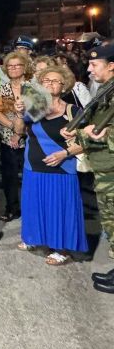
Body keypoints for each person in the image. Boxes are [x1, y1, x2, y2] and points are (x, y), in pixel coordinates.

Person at [12, 66, 87, 265]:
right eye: (46, 81)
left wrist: (64, 154)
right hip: (32, 166)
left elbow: (86, 142)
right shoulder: (34, 107)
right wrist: (19, 113)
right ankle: (34, 238)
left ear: (64, 85)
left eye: (55, 81)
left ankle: (60, 249)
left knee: (59, 210)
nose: (49, 84)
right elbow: (18, 131)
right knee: (34, 206)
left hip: (61, 169)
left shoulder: (73, 111)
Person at [65, 45, 114, 293]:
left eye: (95, 65)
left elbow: (105, 132)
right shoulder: (107, 89)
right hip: (104, 166)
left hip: (111, 167)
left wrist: (91, 135)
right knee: (110, 220)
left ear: (111, 66)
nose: (89, 69)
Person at [0, 51, 33, 223]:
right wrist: (12, 127)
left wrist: (20, 133)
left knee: (30, 174)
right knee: (9, 176)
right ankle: (12, 208)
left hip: (30, 137)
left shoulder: (33, 88)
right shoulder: (2, 89)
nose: (13, 68)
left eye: (17, 65)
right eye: (10, 66)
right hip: (8, 138)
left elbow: (39, 112)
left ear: (25, 67)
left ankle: (31, 208)